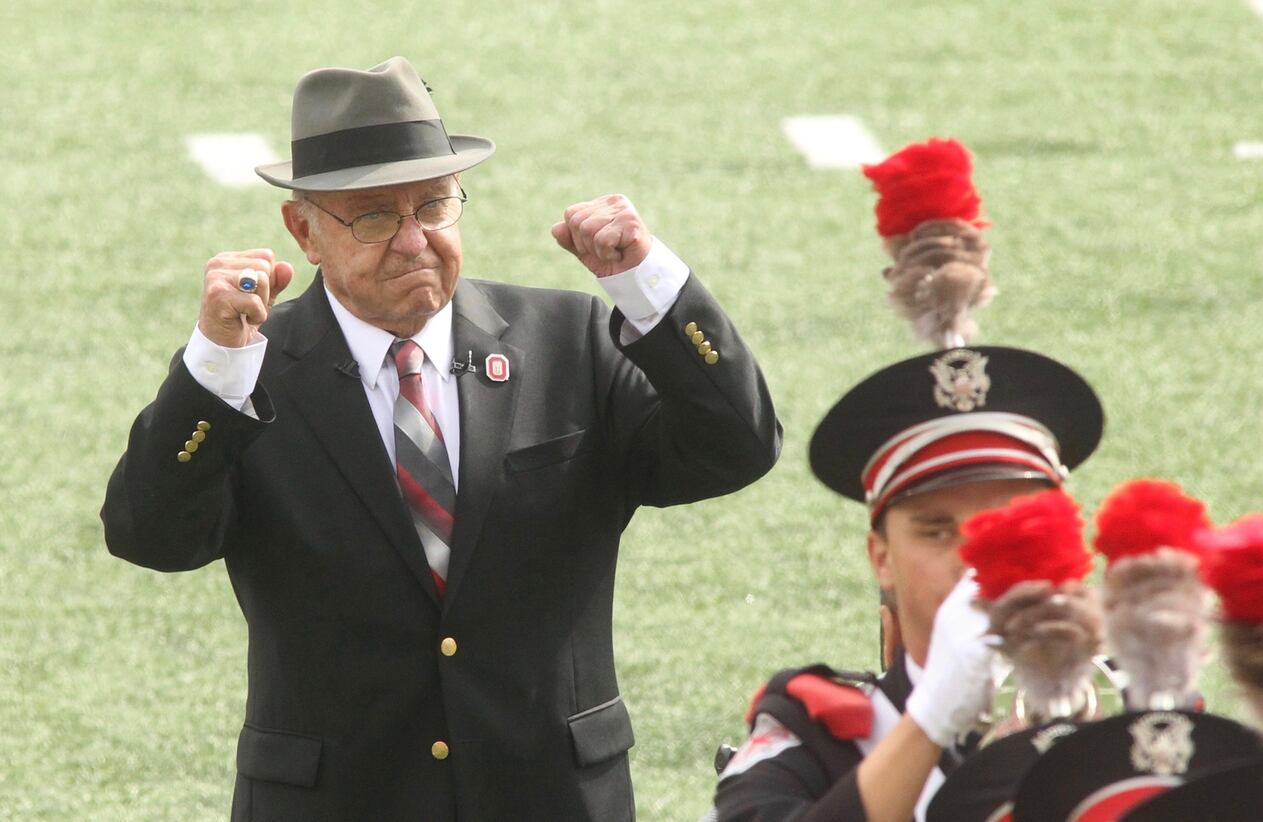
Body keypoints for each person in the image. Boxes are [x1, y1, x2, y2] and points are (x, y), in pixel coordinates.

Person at [101, 56, 780, 821]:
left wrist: (651, 287)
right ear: (305, 230)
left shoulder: (569, 340)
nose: (412, 239)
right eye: (374, 215)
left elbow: (739, 445)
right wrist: (215, 368)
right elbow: (151, 536)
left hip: (551, 799)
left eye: (433, 205)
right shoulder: (247, 377)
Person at [711, 344, 1106, 822]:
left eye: (1009, 523)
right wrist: (930, 719)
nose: (973, 561)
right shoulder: (818, 734)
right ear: (881, 558)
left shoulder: (1131, 702)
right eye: (938, 531)